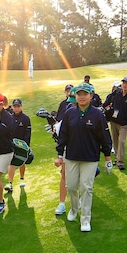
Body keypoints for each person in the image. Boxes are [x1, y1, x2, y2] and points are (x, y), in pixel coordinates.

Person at [55, 83, 112, 232]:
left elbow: (104, 136)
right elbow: (63, 136)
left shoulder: (97, 114)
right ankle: (74, 209)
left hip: (90, 157)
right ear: (76, 96)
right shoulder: (70, 113)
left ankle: (85, 219)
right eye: (79, 94)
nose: (81, 97)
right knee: (72, 186)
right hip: (72, 156)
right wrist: (60, 154)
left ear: (91, 96)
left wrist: (107, 157)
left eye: (85, 94)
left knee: (86, 188)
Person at [102, 75, 127, 170]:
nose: (125, 85)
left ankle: (120, 162)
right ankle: (117, 159)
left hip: (124, 124)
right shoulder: (116, 93)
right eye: (123, 83)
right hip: (113, 121)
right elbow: (106, 102)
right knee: (115, 142)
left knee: (122, 141)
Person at [53, 84, 75, 215]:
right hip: (68, 147)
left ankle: (80, 203)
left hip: (82, 150)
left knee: (82, 180)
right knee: (64, 175)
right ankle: (62, 203)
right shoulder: (66, 108)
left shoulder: (90, 111)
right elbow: (61, 128)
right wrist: (60, 155)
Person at [6, 98, 33, 189]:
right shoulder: (10, 118)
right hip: (12, 145)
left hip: (22, 145)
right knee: (12, 163)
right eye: (15, 106)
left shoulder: (25, 118)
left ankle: (22, 178)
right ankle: (10, 183)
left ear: (21, 107)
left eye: (18, 106)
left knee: (22, 162)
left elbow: (27, 133)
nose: (16, 108)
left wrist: (26, 146)